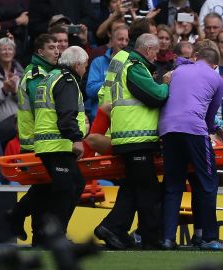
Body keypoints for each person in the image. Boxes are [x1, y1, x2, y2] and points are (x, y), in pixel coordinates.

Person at [94, 33, 169, 250]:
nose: (156, 56)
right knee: (148, 190)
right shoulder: (135, 66)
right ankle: (149, 238)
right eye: (156, 52)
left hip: (128, 137)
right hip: (136, 138)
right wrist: (165, 84)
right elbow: (155, 95)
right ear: (148, 50)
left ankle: (114, 228)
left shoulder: (127, 64)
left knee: (132, 188)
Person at [160, 47, 223, 250]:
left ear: (196, 58)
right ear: (215, 65)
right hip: (194, 130)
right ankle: (209, 238)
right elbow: (209, 118)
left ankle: (167, 238)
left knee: (173, 186)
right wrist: (216, 132)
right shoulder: (217, 79)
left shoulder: (178, 71)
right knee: (209, 183)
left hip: (167, 129)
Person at [31, 46, 89, 245]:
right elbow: (66, 115)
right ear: (77, 64)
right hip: (58, 144)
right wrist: (76, 139)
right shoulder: (66, 80)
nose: (85, 70)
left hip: (49, 143)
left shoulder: (51, 76)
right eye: (85, 66)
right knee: (70, 187)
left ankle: (43, 235)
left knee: (66, 187)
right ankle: (54, 236)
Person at [5, 34, 58, 242]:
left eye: (58, 46)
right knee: (46, 188)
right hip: (36, 142)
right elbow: (44, 107)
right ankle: (17, 215)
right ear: (40, 52)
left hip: (39, 141)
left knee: (44, 189)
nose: (57, 50)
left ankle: (36, 233)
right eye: (52, 47)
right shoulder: (37, 75)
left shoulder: (44, 72)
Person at [86, 24, 129, 121]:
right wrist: (111, 80)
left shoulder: (131, 64)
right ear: (112, 41)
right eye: (120, 39)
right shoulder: (98, 62)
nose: (124, 43)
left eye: (127, 40)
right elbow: (90, 90)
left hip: (123, 118)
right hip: (100, 117)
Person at [0, 37, 24, 148]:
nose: (7, 52)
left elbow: (29, 102)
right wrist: (3, 91)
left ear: (14, 52)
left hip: (21, 126)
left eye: (10, 49)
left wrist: (15, 92)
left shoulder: (23, 74)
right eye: (3, 49)